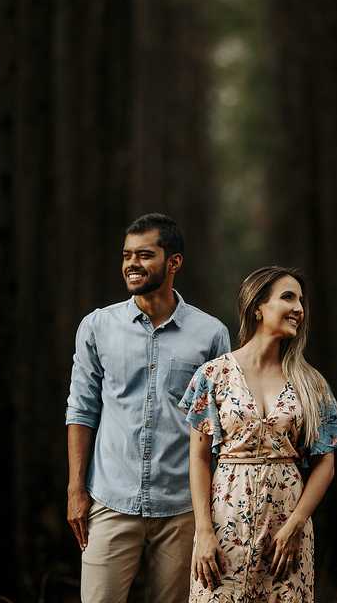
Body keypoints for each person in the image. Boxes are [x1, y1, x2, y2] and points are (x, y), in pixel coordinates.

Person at [66, 213, 232, 603]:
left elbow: (221, 427)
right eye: (127, 255)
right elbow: (81, 409)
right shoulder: (97, 327)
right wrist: (76, 488)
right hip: (110, 500)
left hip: (182, 508)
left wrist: (212, 512)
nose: (131, 265)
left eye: (144, 254)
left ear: (173, 262)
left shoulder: (211, 335)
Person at [179, 266, 337, 603]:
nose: (299, 308)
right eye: (288, 297)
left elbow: (325, 464)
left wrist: (296, 524)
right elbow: (198, 457)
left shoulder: (311, 383)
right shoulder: (213, 375)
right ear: (257, 306)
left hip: (286, 529)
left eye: (301, 300)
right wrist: (203, 530)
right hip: (225, 527)